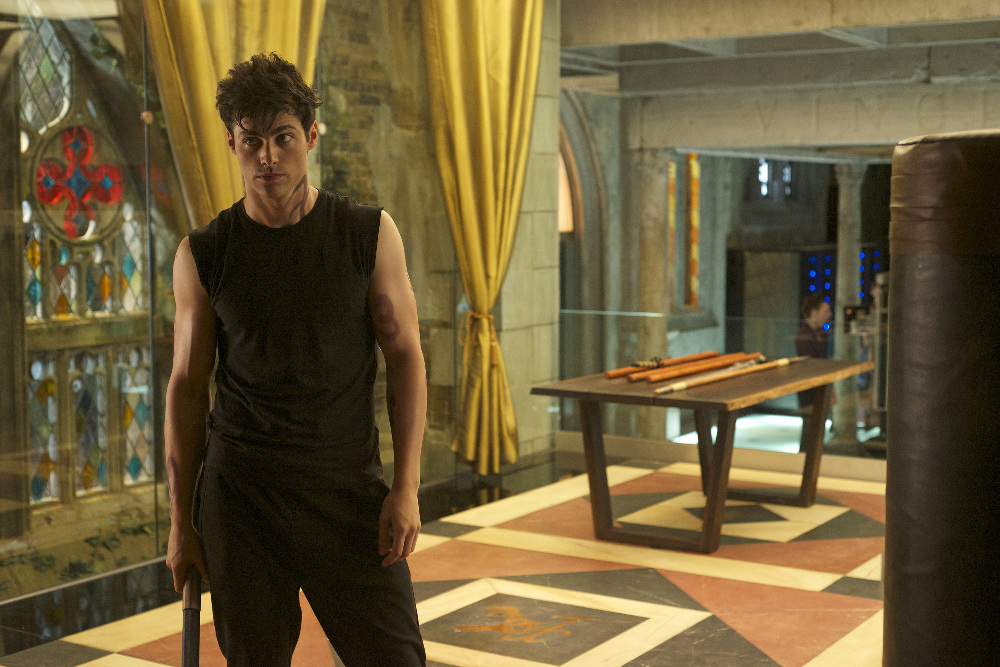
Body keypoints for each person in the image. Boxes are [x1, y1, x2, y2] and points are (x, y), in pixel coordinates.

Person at [164, 52, 427, 666]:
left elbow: (406, 357)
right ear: (231, 144)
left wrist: (407, 487)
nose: (268, 157)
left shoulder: (366, 233)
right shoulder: (204, 254)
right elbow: (185, 386)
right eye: (251, 141)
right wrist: (180, 522)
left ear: (310, 136)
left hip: (345, 491)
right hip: (243, 499)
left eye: (283, 137)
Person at [794, 294, 832, 408]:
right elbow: (813, 367)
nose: (829, 315)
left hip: (816, 389)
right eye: (825, 311)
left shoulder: (816, 334)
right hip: (811, 391)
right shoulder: (805, 337)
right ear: (814, 313)